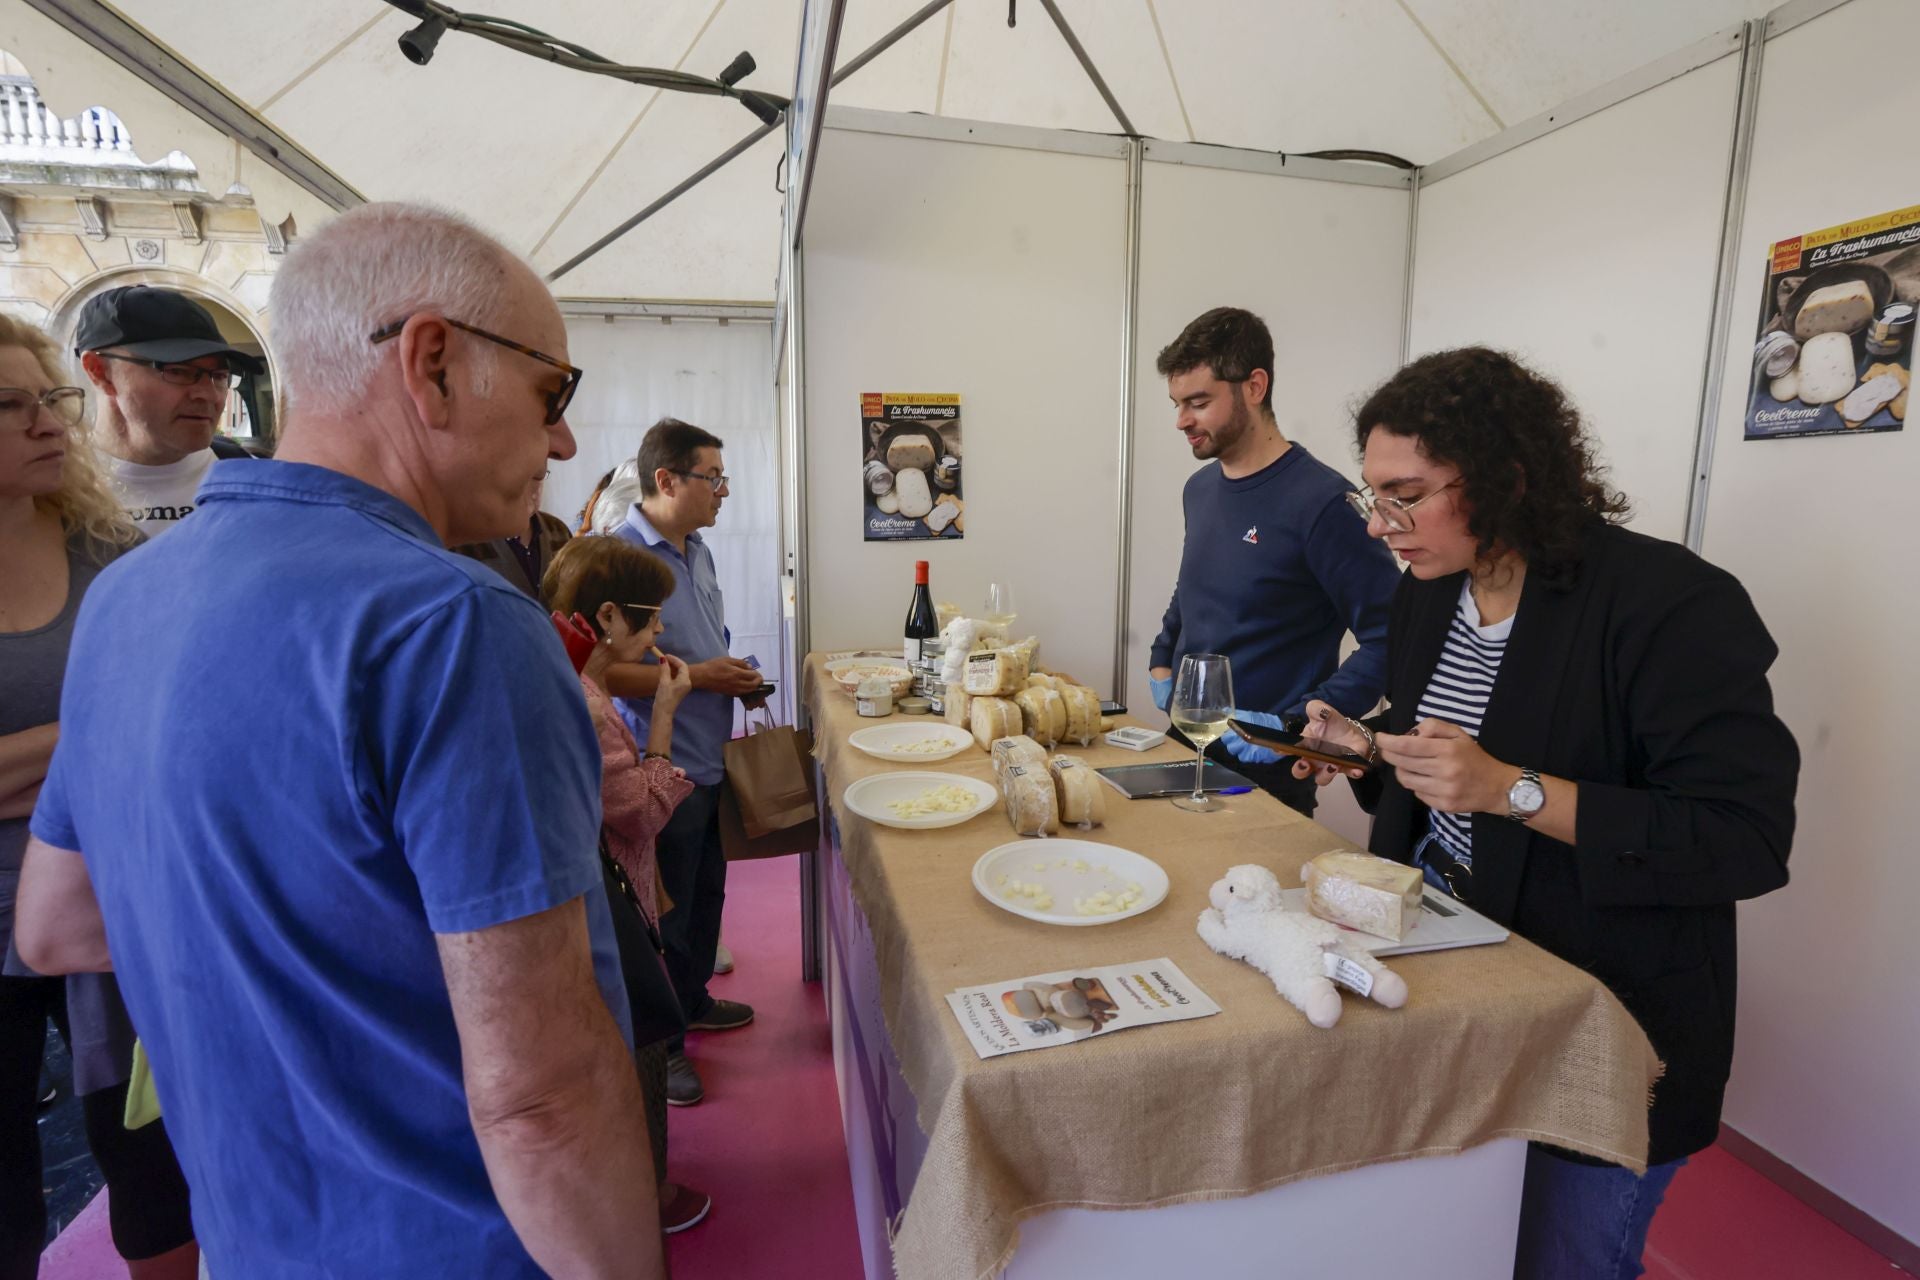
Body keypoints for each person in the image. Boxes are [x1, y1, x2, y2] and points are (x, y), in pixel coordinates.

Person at [15, 202, 666, 1278]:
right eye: (554, 392)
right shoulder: (456, 621)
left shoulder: (126, 596)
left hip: (252, 1236)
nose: (562, 439)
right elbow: (542, 1098)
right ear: (434, 364)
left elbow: (57, 922)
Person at [1293, 347, 1797, 1279]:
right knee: (1460, 1240)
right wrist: (1368, 752)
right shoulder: (1431, 591)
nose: (1380, 526)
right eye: (1374, 496)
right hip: (1457, 986)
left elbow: (1744, 838)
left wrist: (1513, 791)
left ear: (1505, 478)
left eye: (1405, 496)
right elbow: (1446, 772)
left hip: (1600, 1013)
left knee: (1565, 1260)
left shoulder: (1667, 603)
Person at [0, 316, 197, 1279]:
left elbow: (168, 716)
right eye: (10, 405)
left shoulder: (103, 546)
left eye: (51, 401)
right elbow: (121, 724)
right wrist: (91, 735)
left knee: (147, 1157)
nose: (45, 424)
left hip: (104, 911)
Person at [1147, 307, 1401, 816]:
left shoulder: (1324, 503)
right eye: (1177, 404)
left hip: (1267, 772)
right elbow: (1193, 588)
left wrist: (1292, 723)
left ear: (1254, 386)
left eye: (1198, 402)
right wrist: (1161, 657)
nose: (1182, 421)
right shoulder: (1199, 490)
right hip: (1185, 746)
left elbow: (1394, 636)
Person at [541, 534, 713, 1234]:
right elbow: (638, 815)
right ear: (609, 617)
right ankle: (646, 1199)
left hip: (588, 898)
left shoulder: (568, 676)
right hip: (610, 903)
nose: (661, 632)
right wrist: (667, 715)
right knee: (632, 1048)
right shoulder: (588, 702)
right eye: (651, 618)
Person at [603, 418, 763, 1106]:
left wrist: (734, 678)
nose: (724, 491)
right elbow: (605, 673)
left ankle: (693, 1002)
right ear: (666, 481)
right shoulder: (618, 560)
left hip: (708, 758)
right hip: (657, 770)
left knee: (703, 898)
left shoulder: (698, 550)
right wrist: (702, 678)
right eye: (713, 477)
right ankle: (663, 1053)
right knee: (659, 917)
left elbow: (696, 648)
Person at [73, 286, 263, 535]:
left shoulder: (244, 474)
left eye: (218, 375)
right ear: (99, 371)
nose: (207, 394)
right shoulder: (53, 489)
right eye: (177, 371)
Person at [450, 470, 574, 596]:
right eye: (520, 478)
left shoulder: (557, 530)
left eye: (538, 476)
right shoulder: (466, 540)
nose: (532, 489)